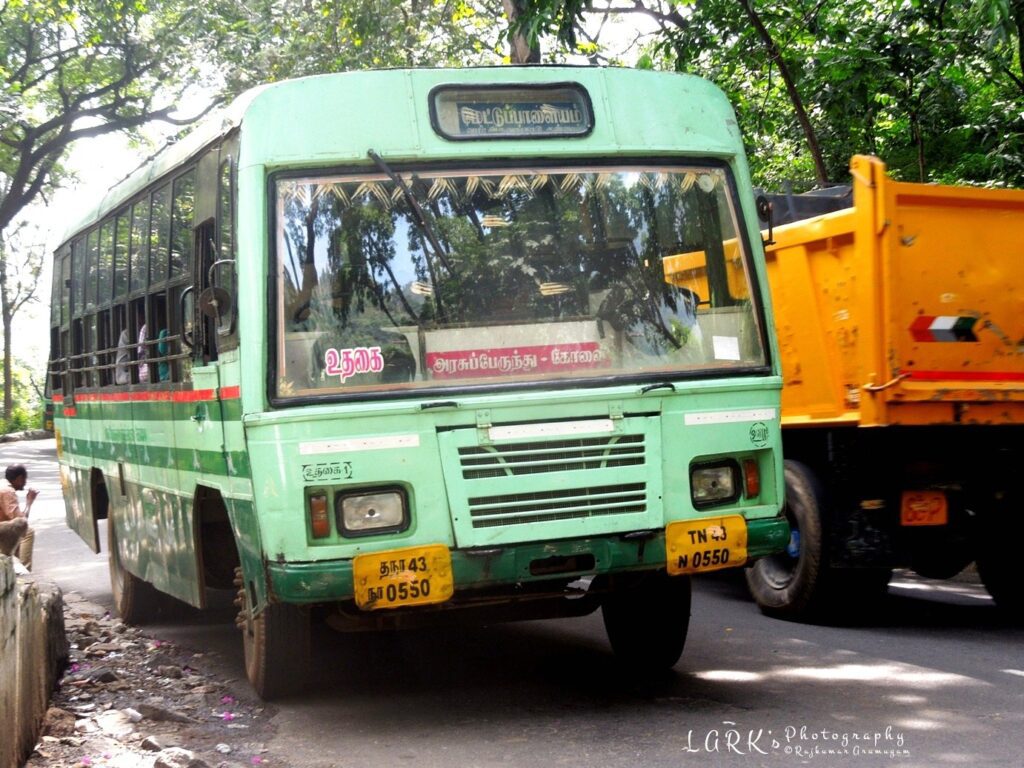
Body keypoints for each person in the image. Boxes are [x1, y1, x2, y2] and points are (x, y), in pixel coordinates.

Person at [0, 464, 37, 571]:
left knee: (14, 530)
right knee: (27, 531)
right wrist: (29, 502)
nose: (25, 483)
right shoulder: (7, 491)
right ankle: (24, 571)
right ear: (20, 478)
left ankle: (14, 565)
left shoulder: (3, 485)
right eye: (24, 479)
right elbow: (21, 521)